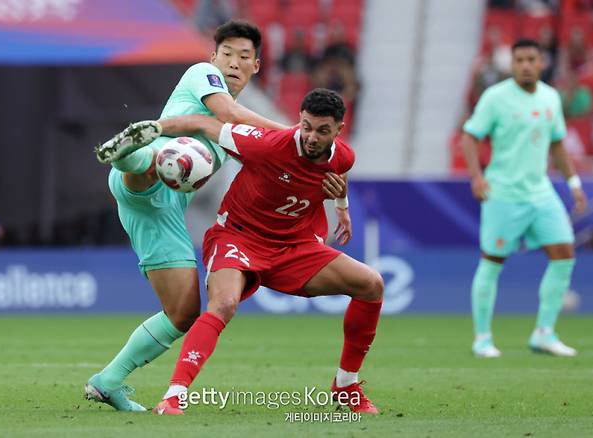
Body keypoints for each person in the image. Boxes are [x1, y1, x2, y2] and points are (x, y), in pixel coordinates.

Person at [87, 20, 345, 412]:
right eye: (227, 54)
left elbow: (276, 166)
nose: (233, 63)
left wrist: (326, 183)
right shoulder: (202, 75)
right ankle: (130, 151)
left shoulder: (244, 133)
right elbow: (227, 111)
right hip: (148, 173)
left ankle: (108, 381)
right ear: (213, 57)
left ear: (256, 66)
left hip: (164, 212)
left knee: (185, 312)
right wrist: (294, 137)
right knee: (165, 157)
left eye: (244, 57)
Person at [129, 88, 384, 415]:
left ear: (338, 130)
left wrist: (342, 205)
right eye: (306, 126)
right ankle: (174, 395)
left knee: (371, 285)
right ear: (299, 121)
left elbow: (339, 169)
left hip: (294, 246)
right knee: (224, 304)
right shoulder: (266, 145)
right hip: (239, 237)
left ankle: (346, 385)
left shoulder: (344, 155)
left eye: (322, 131)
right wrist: (151, 129)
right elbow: (204, 125)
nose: (311, 137)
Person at [462, 39, 588, 358]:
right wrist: (477, 176)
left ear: (541, 62)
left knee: (564, 254)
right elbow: (470, 135)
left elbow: (557, 143)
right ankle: (482, 338)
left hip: (540, 192)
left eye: (531, 59)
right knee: (492, 262)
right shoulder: (496, 97)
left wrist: (573, 182)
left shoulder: (550, 97)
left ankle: (544, 333)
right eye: (519, 60)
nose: (526, 65)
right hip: (503, 192)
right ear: (513, 64)